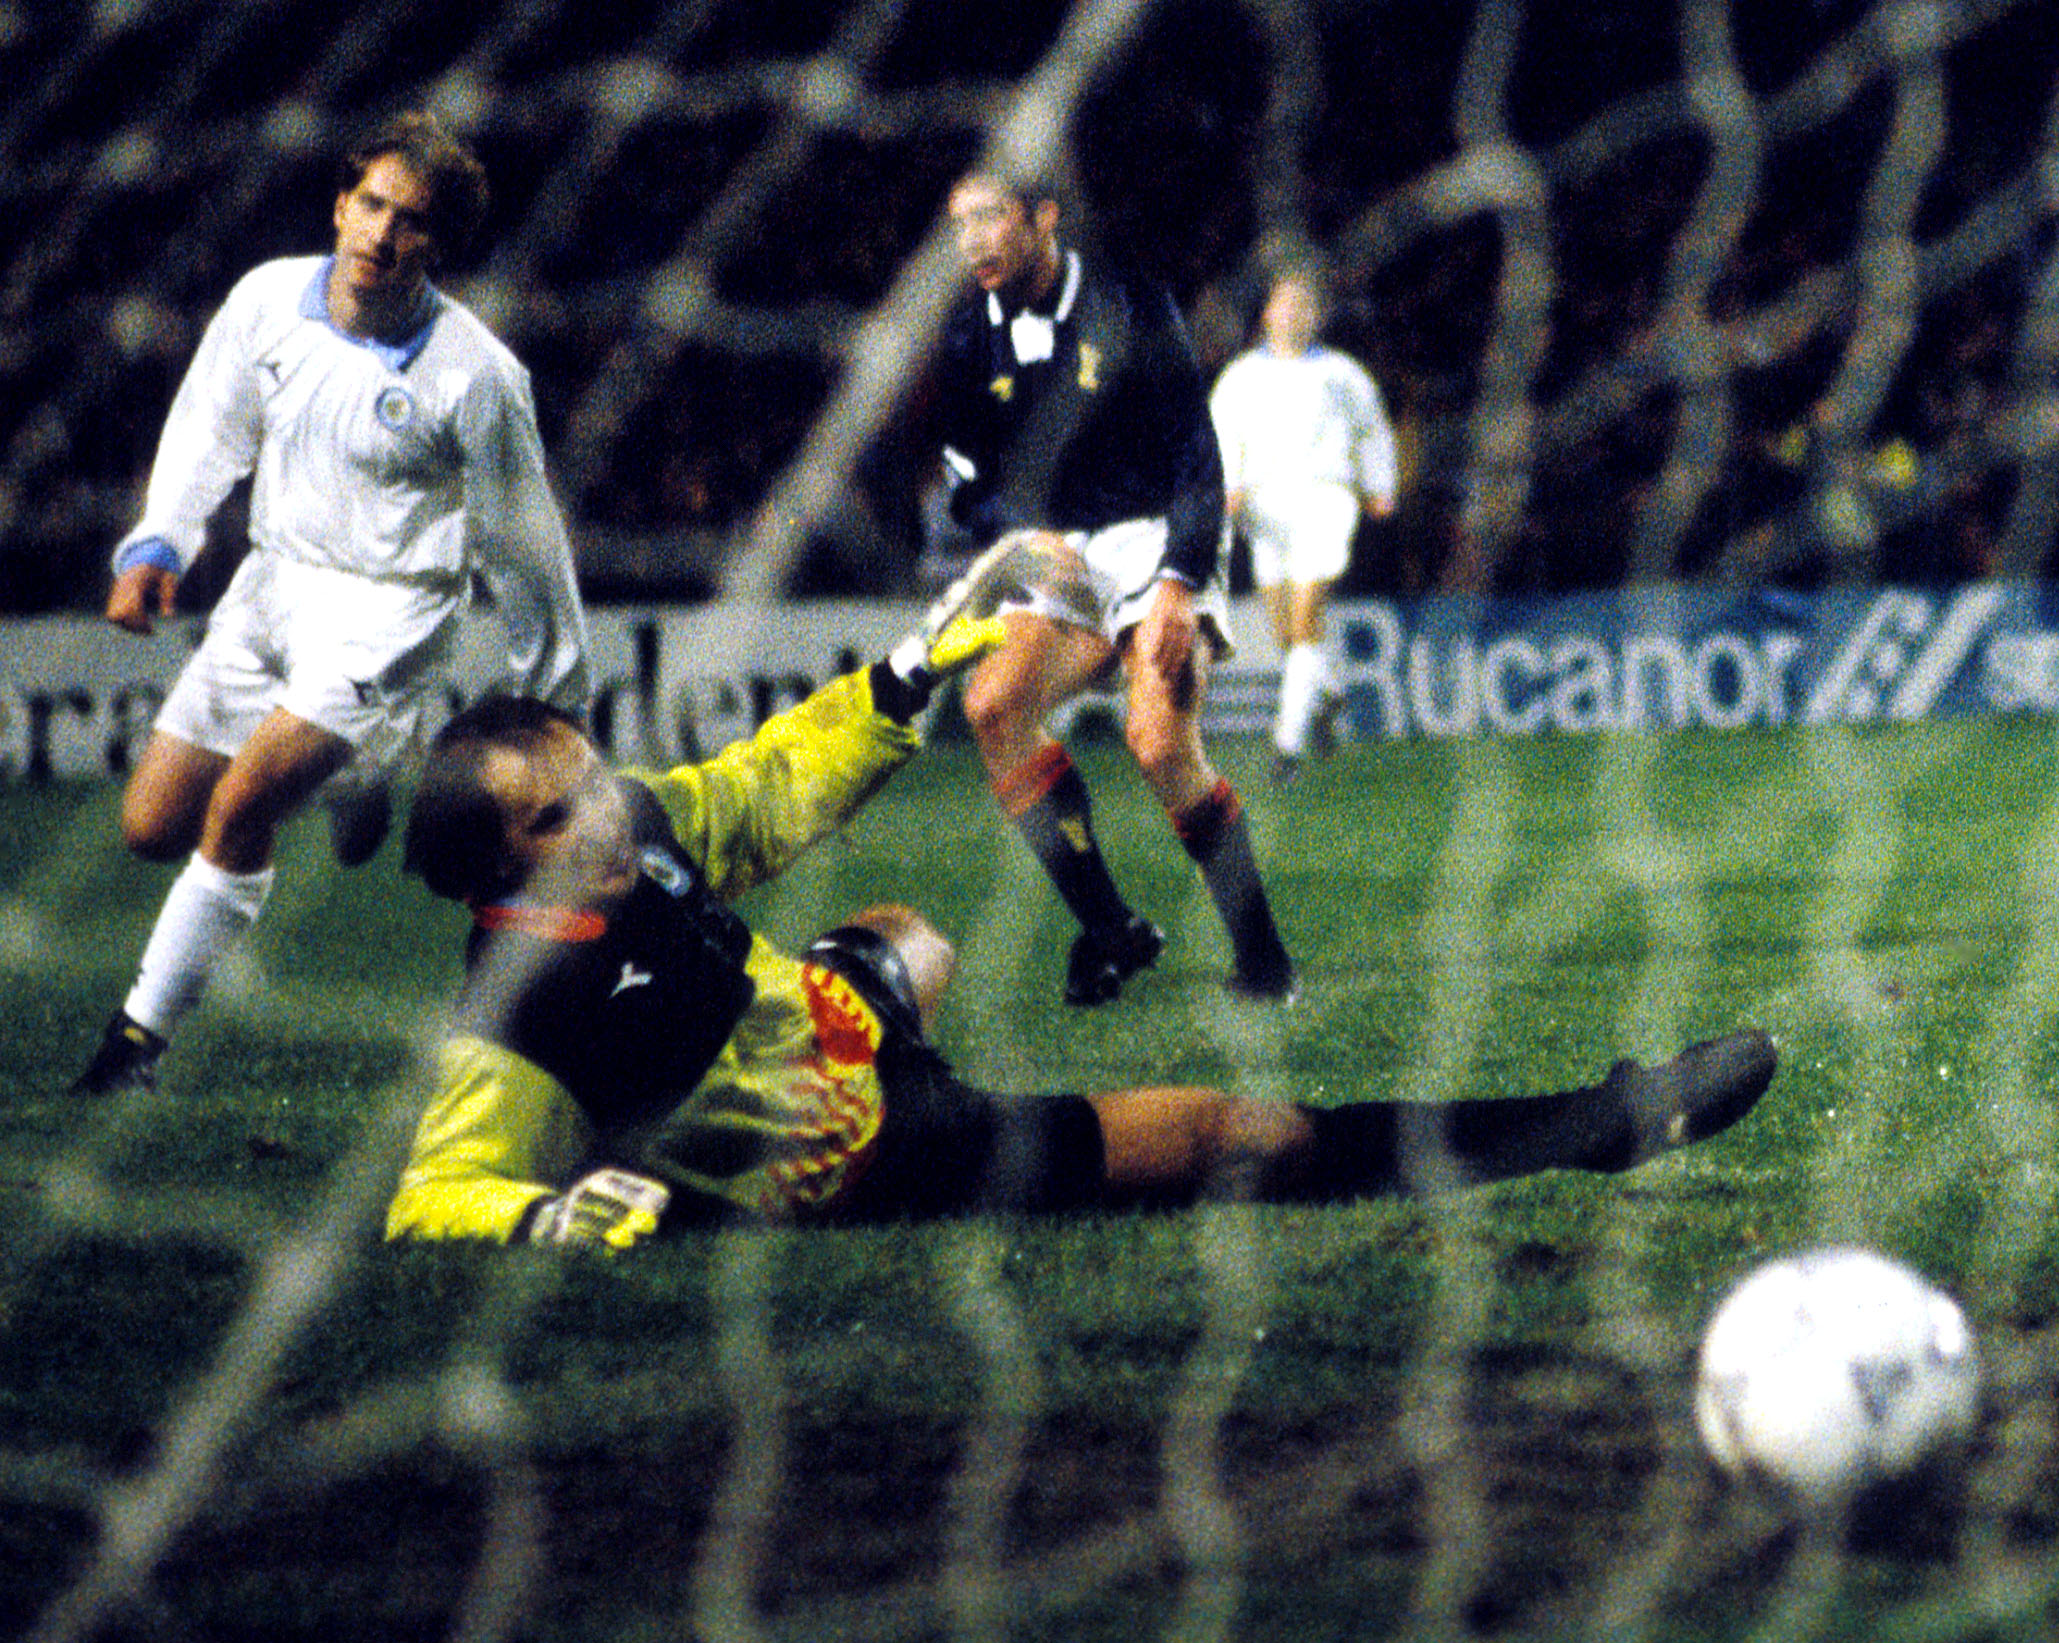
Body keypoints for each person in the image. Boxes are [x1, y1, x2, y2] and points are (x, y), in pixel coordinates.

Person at [382, 606, 1776, 1246]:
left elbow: (758, 790)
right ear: (493, 883)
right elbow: (435, 1192)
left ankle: (863, 1004)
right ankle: (1602, 1123)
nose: (604, 819)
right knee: (1244, 1133)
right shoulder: (517, 1006)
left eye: (589, 784)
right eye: (556, 820)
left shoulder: (641, 826)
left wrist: (899, 678)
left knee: (904, 931)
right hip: (873, 1145)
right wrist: (551, 1210)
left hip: (837, 1031)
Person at [68, 111, 591, 1095]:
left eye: (414, 222)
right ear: (341, 205)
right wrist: (157, 542)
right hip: (271, 588)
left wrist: (553, 704)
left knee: (243, 801)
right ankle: (362, 770)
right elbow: (207, 429)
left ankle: (134, 1046)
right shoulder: (267, 299)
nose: (384, 234)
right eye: (373, 205)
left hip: (388, 610)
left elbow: (526, 543)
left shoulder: (476, 374)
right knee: (149, 825)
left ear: (440, 247)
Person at [925, 169, 1295, 1007]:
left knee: (1159, 742)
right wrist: (1018, 529)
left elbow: (1200, 458)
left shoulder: (1131, 304)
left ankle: (1264, 959)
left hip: (1158, 531)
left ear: (1044, 217)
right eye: (959, 226)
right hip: (1059, 549)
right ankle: (1111, 927)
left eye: (990, 218)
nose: (973, 242)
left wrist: (1179, 582)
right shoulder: (962, 337)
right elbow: (965, 481)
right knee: (993, 707)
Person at [1207, 267, 1399, 783]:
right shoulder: (1242, 376)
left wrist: (1381, 485)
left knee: (1305, 619)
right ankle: (1328, 693)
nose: (1293, 313)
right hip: (1265, 511)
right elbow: (1223, 436)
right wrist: (1228, 485)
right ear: (1268, 313)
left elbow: (1373, 429)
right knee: (1287, 635)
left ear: (1316, 317)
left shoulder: (1342, 374)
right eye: (1284, 303)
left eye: (1304, 305)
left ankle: (1286, 748)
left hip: (1325, 500)